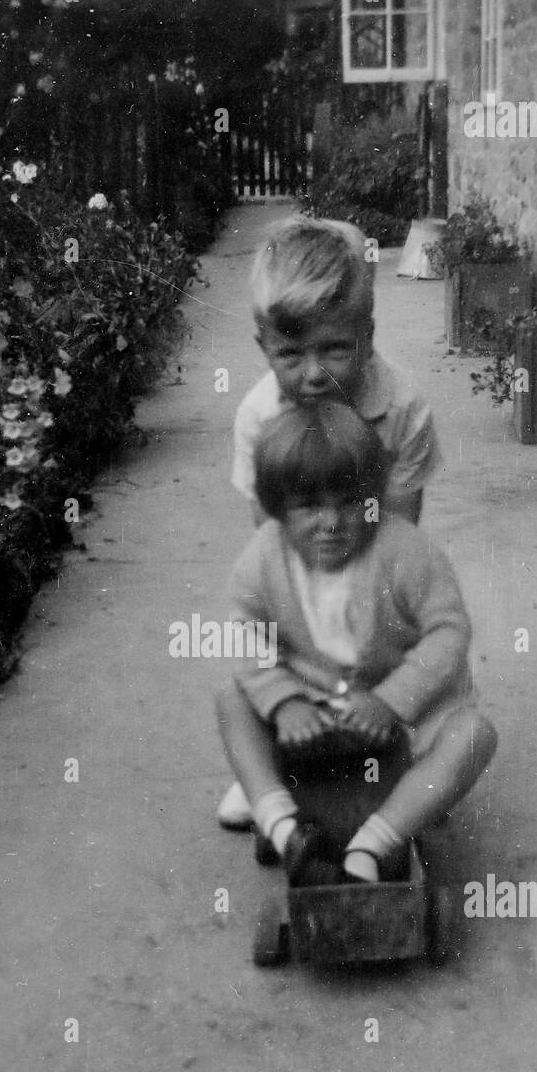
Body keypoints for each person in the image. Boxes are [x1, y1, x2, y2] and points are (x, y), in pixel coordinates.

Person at [219, 213, 443, 828]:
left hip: (378, 579)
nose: (313, 374)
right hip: (299, 586)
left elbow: (400, 537)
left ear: (367, 337)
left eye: (334, 349)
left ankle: (403, 756)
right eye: (291, 354)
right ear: (263, 346)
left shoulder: (401, 407)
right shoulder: (260, 417)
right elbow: (269, 544)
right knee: (244, 671)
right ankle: (267, 771)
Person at [216, 402, 497, 885]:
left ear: (375, 496)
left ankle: (377, 841)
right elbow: (244, 631)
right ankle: (284, 826)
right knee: (232, 699)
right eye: (307, 505)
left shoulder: (405, 550)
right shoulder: (265, 554)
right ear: (277, 506)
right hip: (311, 710)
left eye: (349, 501)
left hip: (400, 716)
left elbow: (448, 631)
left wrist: (391, 701)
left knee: (474, 735)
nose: (330, 521)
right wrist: (283, 702)